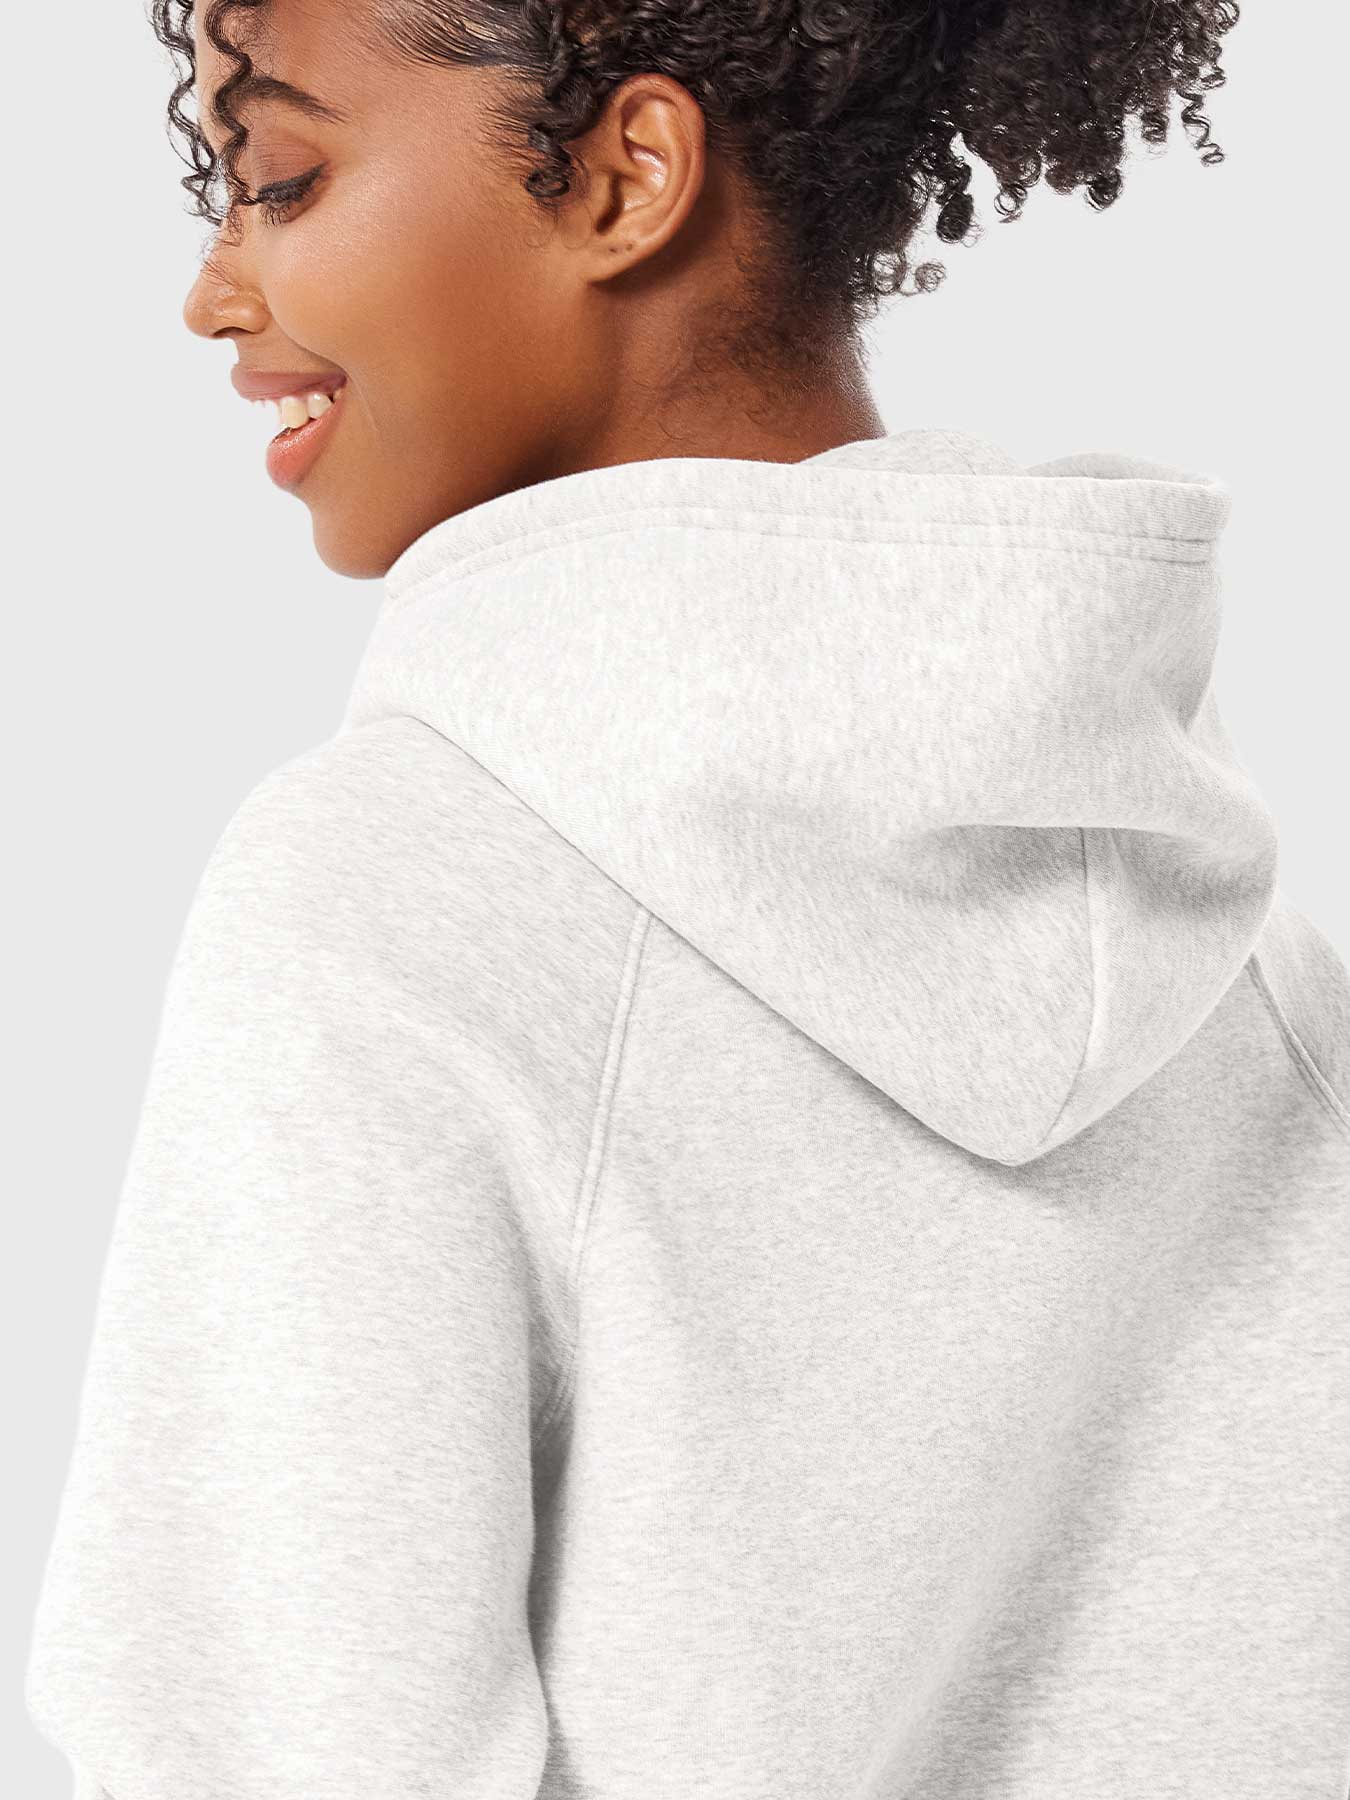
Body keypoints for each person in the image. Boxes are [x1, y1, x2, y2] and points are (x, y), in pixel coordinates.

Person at [24, 2, 1350, 1797]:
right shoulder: (1253, 959)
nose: (211, 293)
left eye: (279, 177)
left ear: (626, 177)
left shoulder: (387, 900)